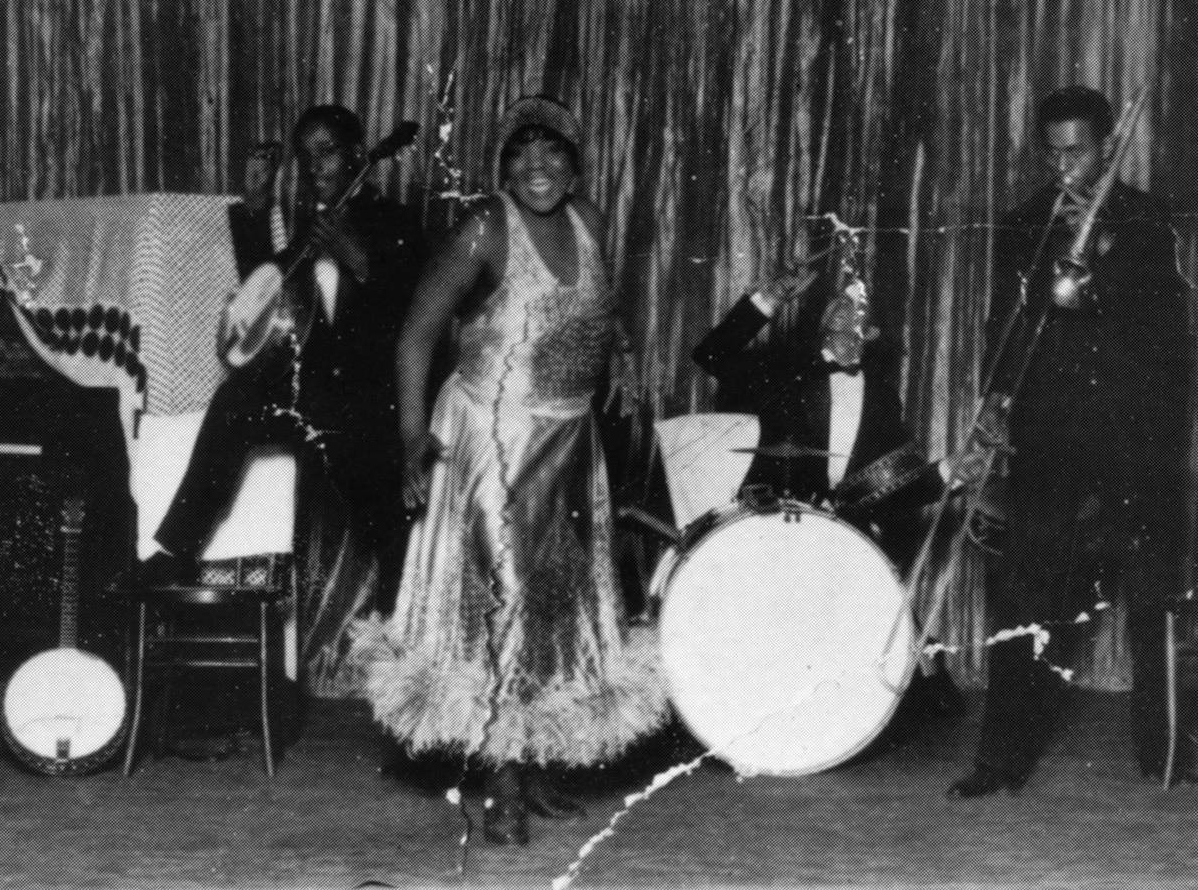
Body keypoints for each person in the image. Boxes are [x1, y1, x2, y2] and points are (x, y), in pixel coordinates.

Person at [353, 96, 662, 846]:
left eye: (553, 153)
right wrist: (409, 439)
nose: (538, 168)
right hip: (492, 439)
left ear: (575, 163)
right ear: (503, 165)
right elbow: (416, 338)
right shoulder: (485, 228)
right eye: (522, 155)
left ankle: (537, 761)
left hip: (569, 441)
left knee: (558, 604)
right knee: (505, 603)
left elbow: (597, 313)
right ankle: (500, 783)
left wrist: (615, 357)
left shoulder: (588, 222)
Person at [946, 85, 1192, 799]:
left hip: (1131, 439)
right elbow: (1005, 326)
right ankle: (1000, 763)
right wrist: (994, 401)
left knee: (1151, 597)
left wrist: (1105, 271)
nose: (1064, 169)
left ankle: (1164, 749)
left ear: (1108, 146)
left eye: (1077, 152)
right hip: (1049, 436)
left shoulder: (1147, 219)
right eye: (1052, 154)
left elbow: (1169, 338)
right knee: (1023, 596)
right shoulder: (1023, 222)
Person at [141, 106, 421, 623]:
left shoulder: (396, 223)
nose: (316, 166)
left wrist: (352, 254)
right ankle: (176, 550)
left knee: (370, 517)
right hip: (313, 402)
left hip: (369, 409)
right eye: (306, 156)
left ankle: (384, 626)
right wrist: (256, 205)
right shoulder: (312, 231)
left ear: (359, 154)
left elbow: (409, 314)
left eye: (328, 151)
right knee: (233, 400)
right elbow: (265, 296)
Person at [692, 262, 959, 725]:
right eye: (835, 299)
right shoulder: (782, 371)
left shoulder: (881, 396)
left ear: (871, 331)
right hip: (771, 527)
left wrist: (955, 470)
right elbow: (711, 355)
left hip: (844, 536)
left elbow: (893, 485)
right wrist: (767, 301)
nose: (842, 302)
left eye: (856, 302)